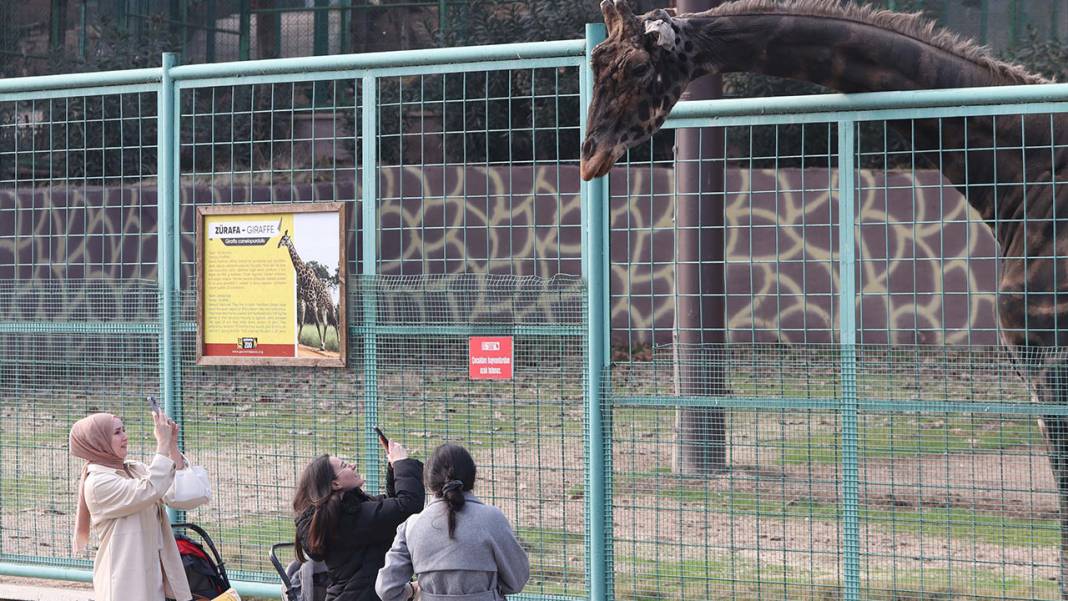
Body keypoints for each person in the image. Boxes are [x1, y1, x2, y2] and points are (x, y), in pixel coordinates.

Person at [69, 409, 205, 601]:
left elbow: (178, 494)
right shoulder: (98, 483)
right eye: (117, 433)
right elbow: (151, 489)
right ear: (97, 442)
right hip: (124, 583)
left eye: (123, 430)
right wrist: (162, 444)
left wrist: (172, 446)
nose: (125, 437)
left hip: (154, 578)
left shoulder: (134, 469)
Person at [375, 444, 529, 601]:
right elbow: (517, 581)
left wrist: (413, 590)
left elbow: (387, 589)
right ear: (472, 476)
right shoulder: (492, 519)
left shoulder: (412, 526)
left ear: (428, 480)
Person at [294, 440, 425, 601]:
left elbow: (391, 514)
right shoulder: (349, 518)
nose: (353, 465)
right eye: (344, 466)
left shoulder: (346, 514)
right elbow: (408, 505)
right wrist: (402, 462)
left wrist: (394, 469)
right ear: (335, 484)